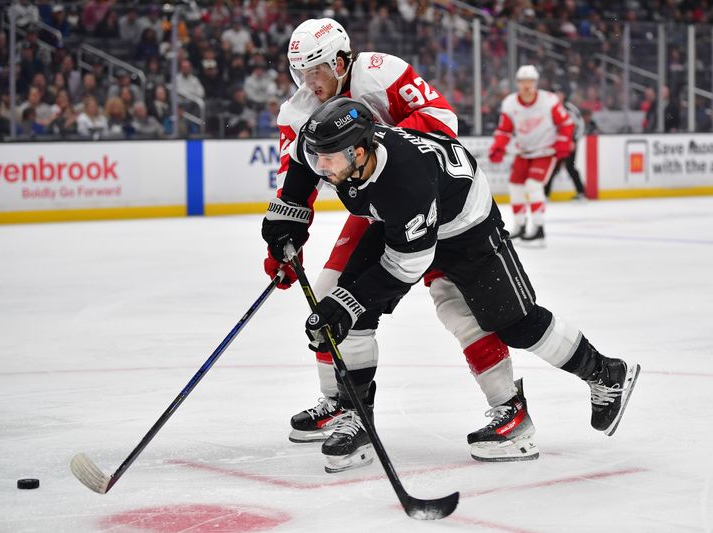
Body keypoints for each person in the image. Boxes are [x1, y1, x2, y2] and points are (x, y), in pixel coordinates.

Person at [262, 97, 640, 473]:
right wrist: (287, 220)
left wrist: (348, 304)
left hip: (466, 225)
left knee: (515, 323)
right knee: (353, 313)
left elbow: (407, 263)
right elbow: (299, 159)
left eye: (328, 160)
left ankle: (604, 372)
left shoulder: (405, 182)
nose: (320, 166)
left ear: (360, 153)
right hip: (402, 220)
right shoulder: (334, 149)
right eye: (319, 158)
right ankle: (358, 417)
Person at [263, 18, 525, 464]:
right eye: (301, 73)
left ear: (342, 61)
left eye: (318, 71)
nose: (310, 83)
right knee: (330, 298)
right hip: (374, 211)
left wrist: (384, 141)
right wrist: (287, 232)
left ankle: (510, 408)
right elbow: (300, 175)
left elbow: (443, 121)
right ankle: (341, 404)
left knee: (456, 305)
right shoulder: (300, 110)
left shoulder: (381, 73)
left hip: (429, 202)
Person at [488, 65, 574, 245]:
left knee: (533, 186)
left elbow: (566, 123)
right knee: (515, 188)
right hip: (523, 152)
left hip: (545, 151)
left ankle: (539, 229)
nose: (527, 85)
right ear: (518, 83)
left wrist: (563, 142)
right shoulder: (510, 103)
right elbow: (504, 129)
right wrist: (498, 147)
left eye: (531, 81)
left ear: (536, 83)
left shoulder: (549, 101)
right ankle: (520, 226)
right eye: (523, 81)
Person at [544, 84, 586, 201]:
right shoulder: (548, 108)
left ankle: (581, 192)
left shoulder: (569, 108)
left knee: (570, 167)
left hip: (569, 144)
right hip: (555, 145)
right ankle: (545, 194)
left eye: (560, 93)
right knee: (552, 169)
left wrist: (574, 141)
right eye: (555, 93)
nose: (557, 96)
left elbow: (580, 125)